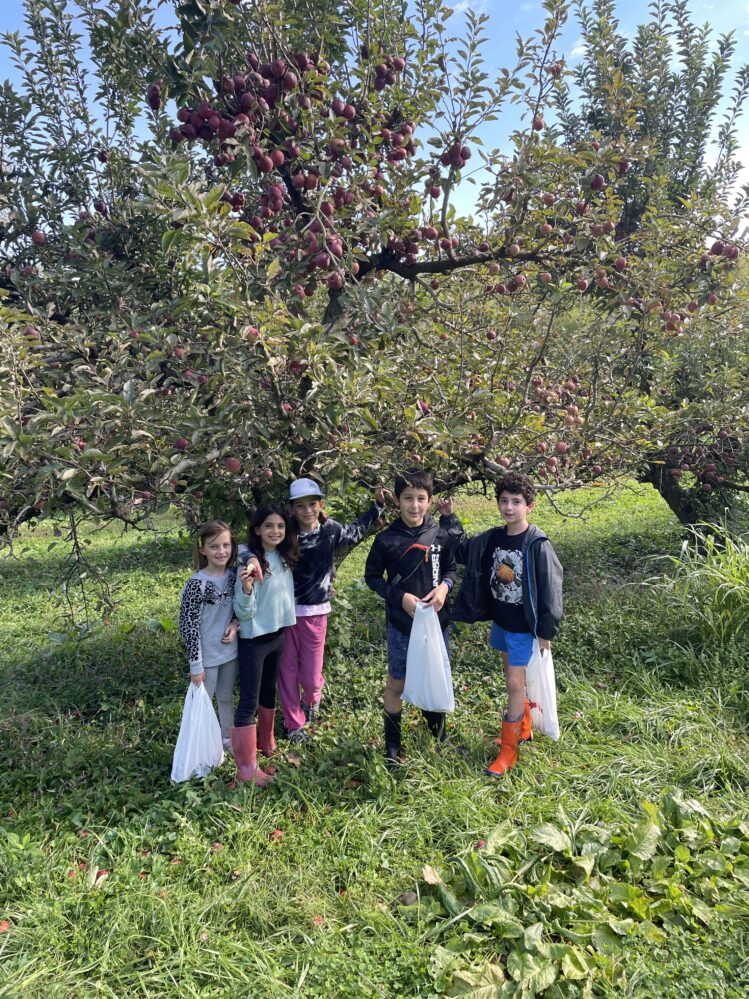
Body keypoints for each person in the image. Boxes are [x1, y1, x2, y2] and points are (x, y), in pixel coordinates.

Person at [441, 472, 563, 777]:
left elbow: (551, 586)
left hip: (522, 627)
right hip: (502, 623)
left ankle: (508, 751)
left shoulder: (536, 542)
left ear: (530, 506)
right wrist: (449, 518)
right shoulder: (494, 538)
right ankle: (522, 728)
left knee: (513, 684)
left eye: (516, 502)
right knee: (512, 679)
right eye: (504, 501)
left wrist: (546, 631)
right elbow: (465, 550)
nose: (509, 507)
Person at [276, 477, 387, 742]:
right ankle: (294, 724)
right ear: (291, 509)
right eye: (300, 505)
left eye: (312, 504)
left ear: (320, 504)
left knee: (311, 677)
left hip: (315, 613)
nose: (307, 511)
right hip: (283, 614)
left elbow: (356, 531)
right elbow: (260, 550)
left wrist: (377, 507)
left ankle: (311, 701)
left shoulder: (330, 530)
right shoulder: (284, 535)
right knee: (287, 670)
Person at [364, 469, 457, 766]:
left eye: (420, 499)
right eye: (408, 499)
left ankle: (437, 734)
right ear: (398, 501)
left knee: (434, 673)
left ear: (429, 500)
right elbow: (372, 577)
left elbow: (452, 570)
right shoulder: (386, 539)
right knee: (397, 682)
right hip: (402, 623)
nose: (414, 506)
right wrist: (399, 597)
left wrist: (444, 588)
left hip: (435, 621)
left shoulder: (440, 534)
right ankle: (392, 745)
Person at [231, 504, 298, 786]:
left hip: (276, 635)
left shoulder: (283, 557)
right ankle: (246, 769)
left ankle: (266, 743)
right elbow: (243, 610)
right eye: (269, 526)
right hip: (253, 639)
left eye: (280, 526)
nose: (275, 531)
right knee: (248, 699)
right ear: (257, 529)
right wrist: (246, 590)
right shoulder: (250, 561)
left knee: (268, 691)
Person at [178, 520, 240, 751]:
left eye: (226, 545)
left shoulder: (234, 576)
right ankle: (203, 745)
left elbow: (239, 608)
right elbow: (188, 626)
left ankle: (227, 739)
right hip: (207, 658)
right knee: (203, 701)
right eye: (214, 546)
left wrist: (235, 624)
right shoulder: (196, 584)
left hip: (229, 652)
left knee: (226, 697)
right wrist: (196, 665)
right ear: (202, 549)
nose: (221, 551)